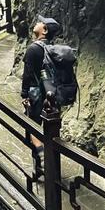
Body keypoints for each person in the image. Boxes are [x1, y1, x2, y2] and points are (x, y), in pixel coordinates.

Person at [21, 15, 61, 181]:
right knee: (50, 130)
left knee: (32, 128)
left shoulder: (33, 49)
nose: (36, 23)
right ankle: (47, 166)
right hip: (52, 95)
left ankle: (42, 159)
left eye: (40, 23)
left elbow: (28, 74)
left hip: (36, 94)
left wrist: (24, 94)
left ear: (44, 30)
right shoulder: (53, 48)